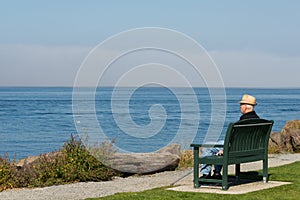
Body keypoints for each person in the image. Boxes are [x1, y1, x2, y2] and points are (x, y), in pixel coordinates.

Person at [200, 94, 260, 179]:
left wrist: (226, 149)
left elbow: (236, 139)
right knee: (218, 144)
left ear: (246, 107)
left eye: (241, 105)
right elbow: (242, 140)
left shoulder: (243, 122)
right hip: (249, 150)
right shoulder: (258, 120)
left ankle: (206, 174)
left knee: (208, 146)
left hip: (236, 149)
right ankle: (216, 173)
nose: (240, 107)